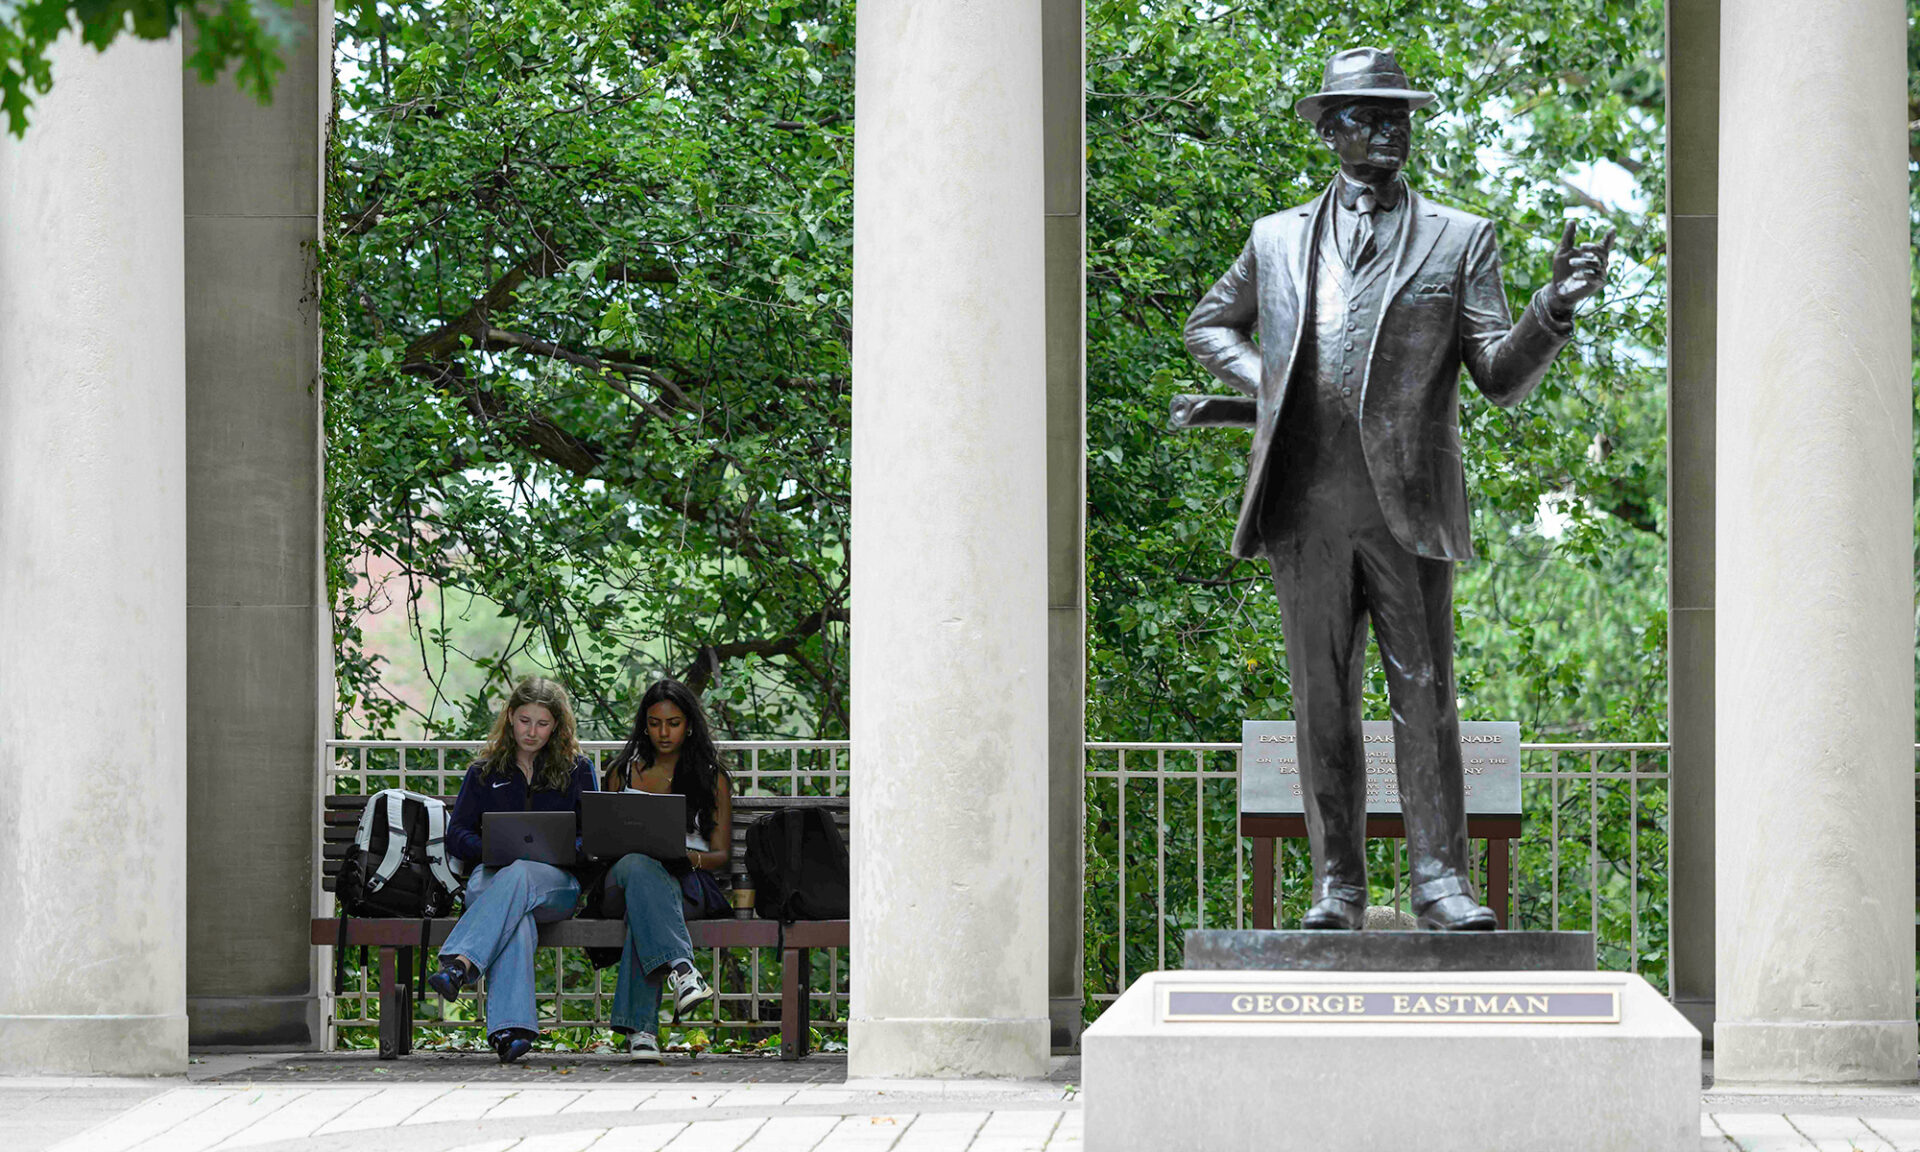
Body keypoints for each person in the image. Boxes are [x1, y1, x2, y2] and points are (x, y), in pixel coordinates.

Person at [1181, 47, 1611, 930]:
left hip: (1408, 503)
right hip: (1303, 506)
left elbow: (1496, 373)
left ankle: (1440, 883)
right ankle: (1337, 885)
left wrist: (1551, 312)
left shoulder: (1460, 236)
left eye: (1400, 115)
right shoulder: (1274, 239)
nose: (1389, 130)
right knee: (1321, 698)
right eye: (1370, 116)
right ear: (1330, 130)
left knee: (1426, 692)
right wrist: (1269, 387)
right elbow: (1207, 325)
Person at [425, 677, 597, 1063]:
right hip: (492, 878)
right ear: (510, 719)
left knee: (520, 874)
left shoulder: (577, 770)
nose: (531, 732)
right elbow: (457, 836)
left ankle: (460, 963)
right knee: (515, 917)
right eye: (524, 721)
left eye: (542, 723)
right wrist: (492, 847)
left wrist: (565, 849)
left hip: (556, 885)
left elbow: (595, 838)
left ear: (557, 726)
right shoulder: (484, 772)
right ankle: (510, 1032)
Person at [591, 678, 730, 1063]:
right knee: (637, 867)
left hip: (685, 884)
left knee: (646, 909)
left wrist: (688, 857)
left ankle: (642, 1035)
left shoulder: (710, 776)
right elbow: (601, 841)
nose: (663, 732)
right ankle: (683, 968)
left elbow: (720, 856)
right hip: (621, 878)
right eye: (654, 723)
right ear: (644, 724)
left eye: (673, 723)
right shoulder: (623, 772)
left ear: (689, 725)